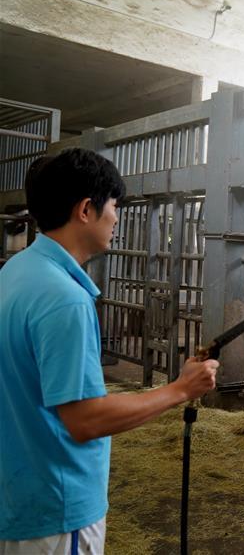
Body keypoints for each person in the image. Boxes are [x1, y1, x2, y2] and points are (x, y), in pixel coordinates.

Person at [0, 148, 219, 554]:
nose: (117, 217)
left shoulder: (16, 271)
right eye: (114, 206)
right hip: (56, 507)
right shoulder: (64, 298)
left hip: (17, 492)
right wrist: (181, 389)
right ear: (86, 209)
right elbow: (84, 420)